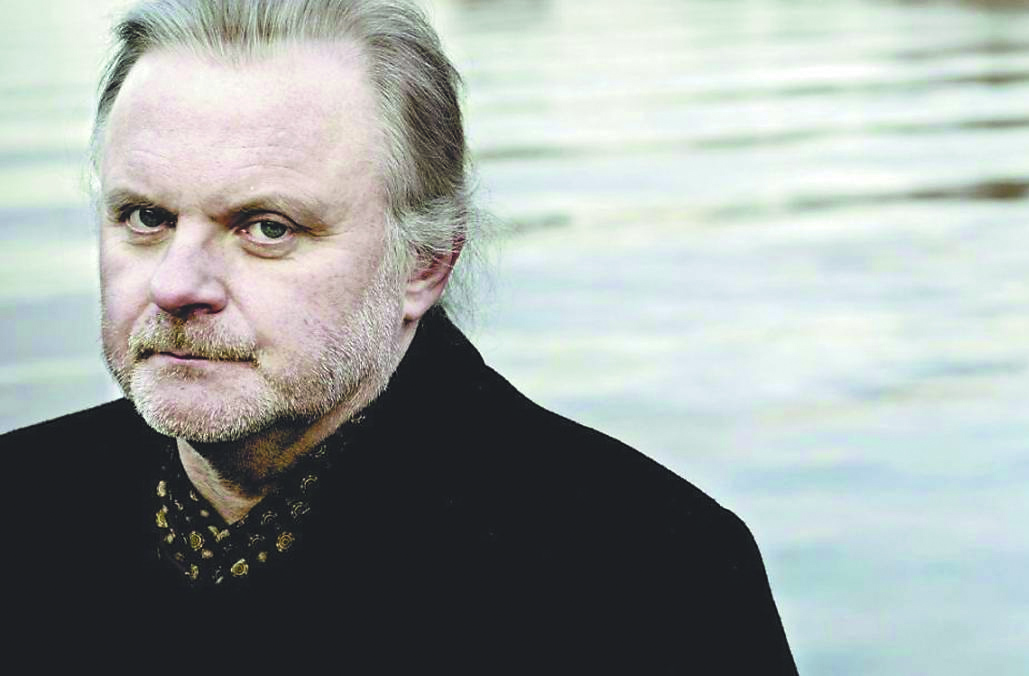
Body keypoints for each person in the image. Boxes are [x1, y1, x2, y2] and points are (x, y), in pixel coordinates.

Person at [1, 1, 797, 671]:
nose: (176, 284)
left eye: (267, 227)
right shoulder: (22, 503)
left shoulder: (645, 574)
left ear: (423, 264)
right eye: (144, 217)